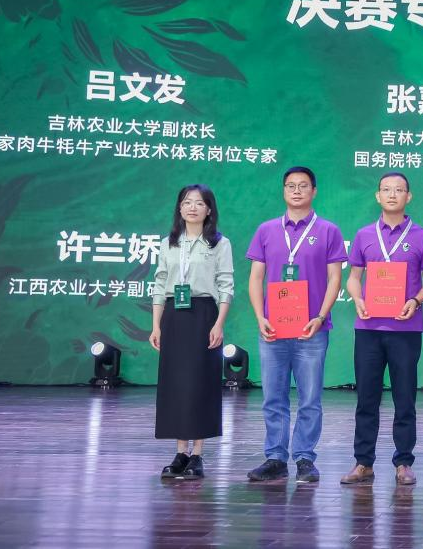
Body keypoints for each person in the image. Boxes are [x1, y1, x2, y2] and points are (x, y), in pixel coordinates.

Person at [245, 166, 347, 484]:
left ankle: (304, 457)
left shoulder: (328, 231)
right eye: (291, 186)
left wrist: (321, 316)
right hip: (273, 329)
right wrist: (260, 317)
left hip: (311, 330)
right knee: (273, 397)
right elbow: (256, 278)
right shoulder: (266, 230)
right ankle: (275, 458)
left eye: (304, 186)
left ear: (314, 191)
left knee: (310, 399)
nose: (297, 191)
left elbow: (335, 279)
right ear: (283, 191)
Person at [340, 172, 423, 487]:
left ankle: (404, 462)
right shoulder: (364, 235)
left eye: (399, 190)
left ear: (409, 196)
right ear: (377, 196)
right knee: (366, 398)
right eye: (386, 189)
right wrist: (357, 298)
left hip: (406, 328)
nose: (392, 194)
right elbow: (353, 277)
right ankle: (363, 462)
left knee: (404, 398)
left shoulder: (422, 236)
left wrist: (416, 300)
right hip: (368, 327)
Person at [149, 184, 233, 480]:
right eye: (186, 202)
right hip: (174, 315)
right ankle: (180, 452)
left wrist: (219, 323)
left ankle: (197, 454)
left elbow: (226, 284)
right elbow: (160, 283)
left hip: (204, 314)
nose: (192, 207)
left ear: (209, 209)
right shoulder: (169, 243)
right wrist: (156, 324)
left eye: (199, 203)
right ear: (180, 208)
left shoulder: (219, 243)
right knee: (175, 384)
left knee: (200, 383)